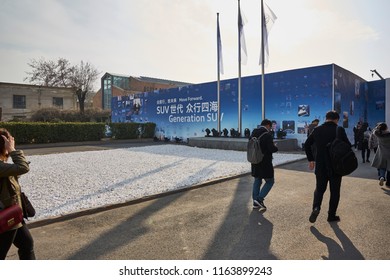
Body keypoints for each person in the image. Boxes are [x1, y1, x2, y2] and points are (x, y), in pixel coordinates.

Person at [304, 110, 351, 223]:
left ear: (326, 118)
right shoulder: (339, 129)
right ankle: (331, 216)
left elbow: (307, 144)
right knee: (335, 191)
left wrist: (311, 159)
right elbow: (348, 145)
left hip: (321, 165)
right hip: (336, 166)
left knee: (319, 189)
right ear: (336, 119)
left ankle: (316, 208)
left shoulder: (317, 129)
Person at [0, 128, 35, 260]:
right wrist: (13, 150)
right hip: (6, 216)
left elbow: (15, 173)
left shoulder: (2, 165)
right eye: (9, 142)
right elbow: (23, 168)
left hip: (14, 213)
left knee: (27, 244)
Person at [250, 119, 278, 210]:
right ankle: (259, 199)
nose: (270, 129)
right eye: (270, 127)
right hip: (265, 163)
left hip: (255, 160)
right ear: (268, 126)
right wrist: (275, 146)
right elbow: (271, 149)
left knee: (257, 180)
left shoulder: (253, 133)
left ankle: (255, 202)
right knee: (270, 181)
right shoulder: (267, 135)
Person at [371, 122, 390, 187]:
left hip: (381, 153)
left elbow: (374, 130)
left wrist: (378, 127)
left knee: (382, 167)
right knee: (389, 169)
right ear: (386, 128)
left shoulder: (378, 134)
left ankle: (382, 177)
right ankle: (388, 183)